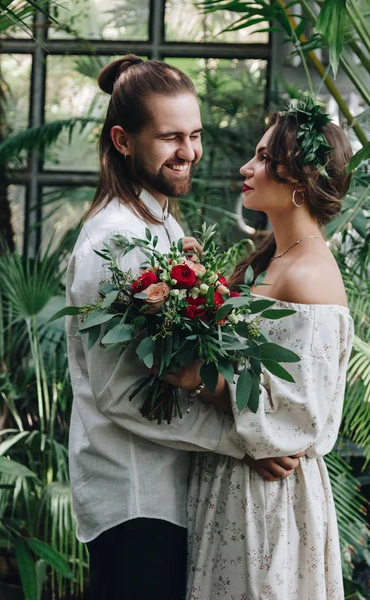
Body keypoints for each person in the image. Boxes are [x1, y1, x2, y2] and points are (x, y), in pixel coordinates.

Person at [66, 55, 300, 600]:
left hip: (172, 493)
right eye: (171, 137)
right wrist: (248, 440)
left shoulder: (161, 222)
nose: (189, 152)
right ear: (123, 141)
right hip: (135, 504)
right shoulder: (113, 242)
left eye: (194, 135)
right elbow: (122, 392)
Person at [146, 103, 353, 599]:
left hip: (269, 498)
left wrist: (200, 380)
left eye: (262, 158)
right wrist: (195, 287)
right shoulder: (274, 256)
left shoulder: (309, 276)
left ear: (298, 181)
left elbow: (300, 416)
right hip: (234, 483)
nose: (247, 167)